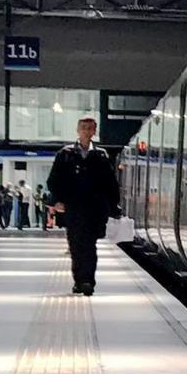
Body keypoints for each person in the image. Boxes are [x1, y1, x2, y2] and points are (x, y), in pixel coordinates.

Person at [47, 118, 119, 295]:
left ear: (95, 132)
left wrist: (113, 206)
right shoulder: (65, 153)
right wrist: (56, 201)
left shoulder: (101, 155)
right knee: (76, 245)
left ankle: (87, 281)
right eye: (84, 128)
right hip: (72, 208)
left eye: (90, 129)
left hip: (95, 209)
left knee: (89, 244)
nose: (87, 131)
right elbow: (53, 180)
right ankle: (79, 280)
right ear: (78, 131)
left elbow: (110, 183)